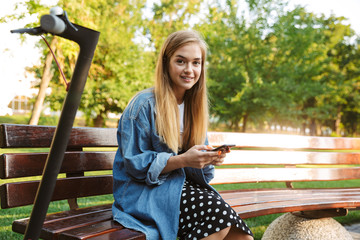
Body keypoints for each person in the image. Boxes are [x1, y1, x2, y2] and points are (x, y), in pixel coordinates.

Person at [112, 30, 254, 240]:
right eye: (181, 61)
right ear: (166, 63)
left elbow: (203, 175)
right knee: (218, 218)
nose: (189, 70)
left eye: (196, 63)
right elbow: (135, 165)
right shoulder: (143, 105)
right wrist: (182, 160)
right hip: (143, 192)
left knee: (240, 236)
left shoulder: (193, 107)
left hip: (181, 188)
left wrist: (209, 158)